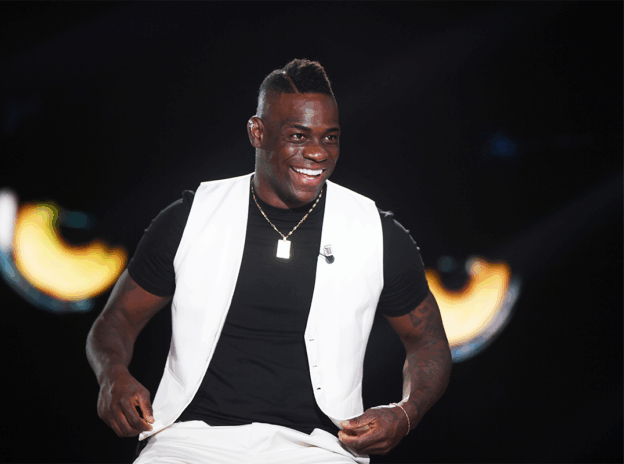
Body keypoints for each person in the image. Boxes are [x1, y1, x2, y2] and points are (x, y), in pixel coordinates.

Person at [86, 59, 451, 464]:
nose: (317, 153)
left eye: (330, 138)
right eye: (298, 136)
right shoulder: (191, 218)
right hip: (189, 442)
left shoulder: (376, 233)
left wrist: (406, 413)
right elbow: (117, 319)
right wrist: (113, 376)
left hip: (320, 449)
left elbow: (429, 341)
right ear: (257, 132)